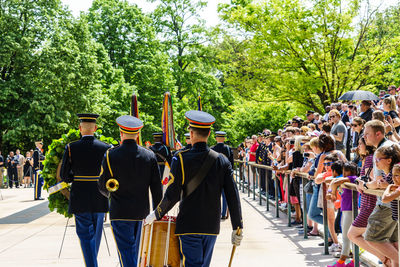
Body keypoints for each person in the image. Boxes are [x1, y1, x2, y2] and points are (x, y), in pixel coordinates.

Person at [145, 110, 243, 267]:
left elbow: (172, 195)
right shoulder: (222, 161)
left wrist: (156, 214)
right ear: (209, 133)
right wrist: (237, 226)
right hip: (211, 225)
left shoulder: (181, 159)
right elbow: (233, 195)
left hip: (189, 224)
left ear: (191, 133)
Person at [98, 115, 162, 267]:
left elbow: (101, 185)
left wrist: (109, 195)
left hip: (119, 212)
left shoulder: (110, 155)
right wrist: (157, 213)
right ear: (138, 134)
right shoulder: (149, 155)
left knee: (126, 253)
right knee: (136, 253)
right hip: (142, 214)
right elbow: (156, 189)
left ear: (121, 133)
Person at [60, 113, 111, 267]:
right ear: (95, 128)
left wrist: (74, 177)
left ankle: (91, 264)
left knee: (85, 234)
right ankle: (92, 262)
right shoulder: (106, 148)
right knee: (96, 233)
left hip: (80, 196)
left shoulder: (71, 147)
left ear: (80, 128)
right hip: (100, 195)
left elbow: (64, 176)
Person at [357, 120, 397, 267]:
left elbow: (379, 182)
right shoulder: (392, 146)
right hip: (392, 204)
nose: (364, 137)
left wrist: (364, 184)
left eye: (367, 134)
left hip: (386, 204)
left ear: (378, 133)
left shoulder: (382, 151)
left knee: (370, 237)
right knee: (394, 243)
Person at [327, 162, 359, 267]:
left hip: (351, 210)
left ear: (352, 171)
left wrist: (331, 191)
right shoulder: (347, 179)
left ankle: (341, 262)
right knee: (348, 236)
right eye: (344, 170)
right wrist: (332, 191)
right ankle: (354, 261)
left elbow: (335, 181)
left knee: (346, 236)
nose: (344, 173)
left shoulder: (353, 178)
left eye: (346, 170)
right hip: (346, 209)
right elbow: (332, 181)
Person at [211, 131, 234, 220]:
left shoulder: (212, 149)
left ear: (216, 138)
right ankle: (223, 213)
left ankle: (215, 213)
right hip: (225, 175)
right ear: (224, 139)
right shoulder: (228, 149)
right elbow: (231, 163)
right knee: (225, 196)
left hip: (215, 175)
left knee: (215, 195)